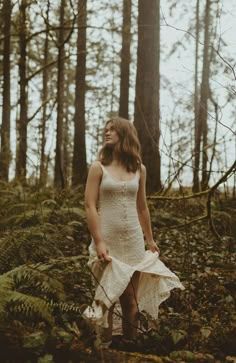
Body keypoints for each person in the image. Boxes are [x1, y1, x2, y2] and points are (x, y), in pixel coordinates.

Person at [84, 117, 184, 349]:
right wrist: (98, 241)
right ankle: (104, 349)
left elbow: (142, 207)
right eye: (105, 130)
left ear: (125, 134)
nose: (107, 133)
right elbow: (90, 206)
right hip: (106, 241)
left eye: (112, 130)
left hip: (133, 242)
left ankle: (131, 347)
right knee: (106, 298)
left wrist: (149, 239)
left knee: (130, 300)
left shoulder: (139, 169)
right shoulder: (97, 167)